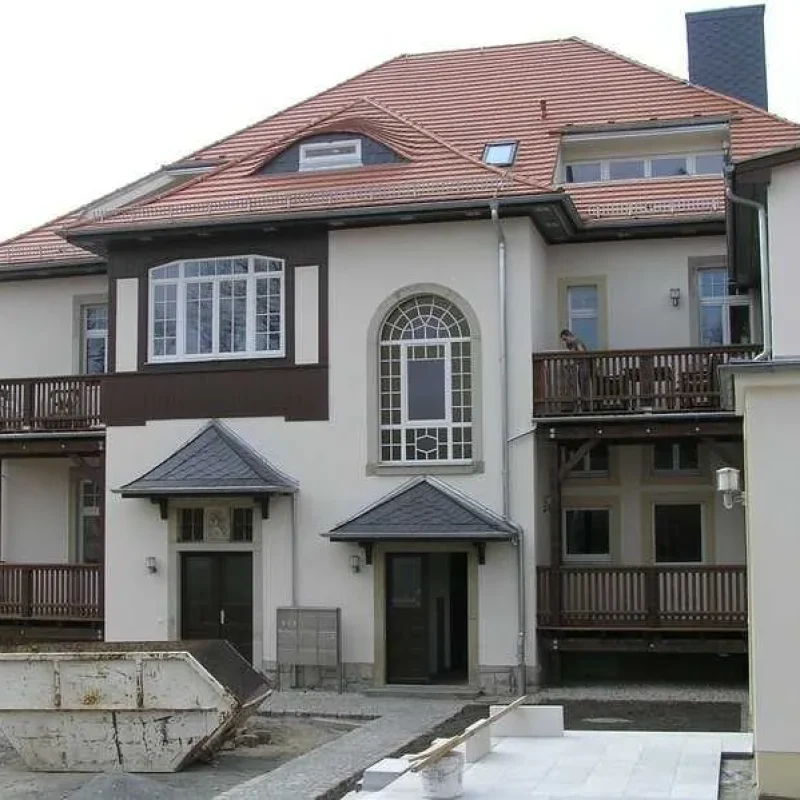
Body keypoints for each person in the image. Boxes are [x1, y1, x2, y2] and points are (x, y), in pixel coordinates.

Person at [559, 329, 591, 409]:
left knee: (583, 385)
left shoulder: (577, 341)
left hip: (583, 365)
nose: (565, 341)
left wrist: (574, 353)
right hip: (576, 366)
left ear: (569, 336)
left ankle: (586, 406)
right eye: (564, 340)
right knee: (577, 385)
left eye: (565, 339)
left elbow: (582, 352)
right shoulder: (569, 345)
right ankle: (580, 405)